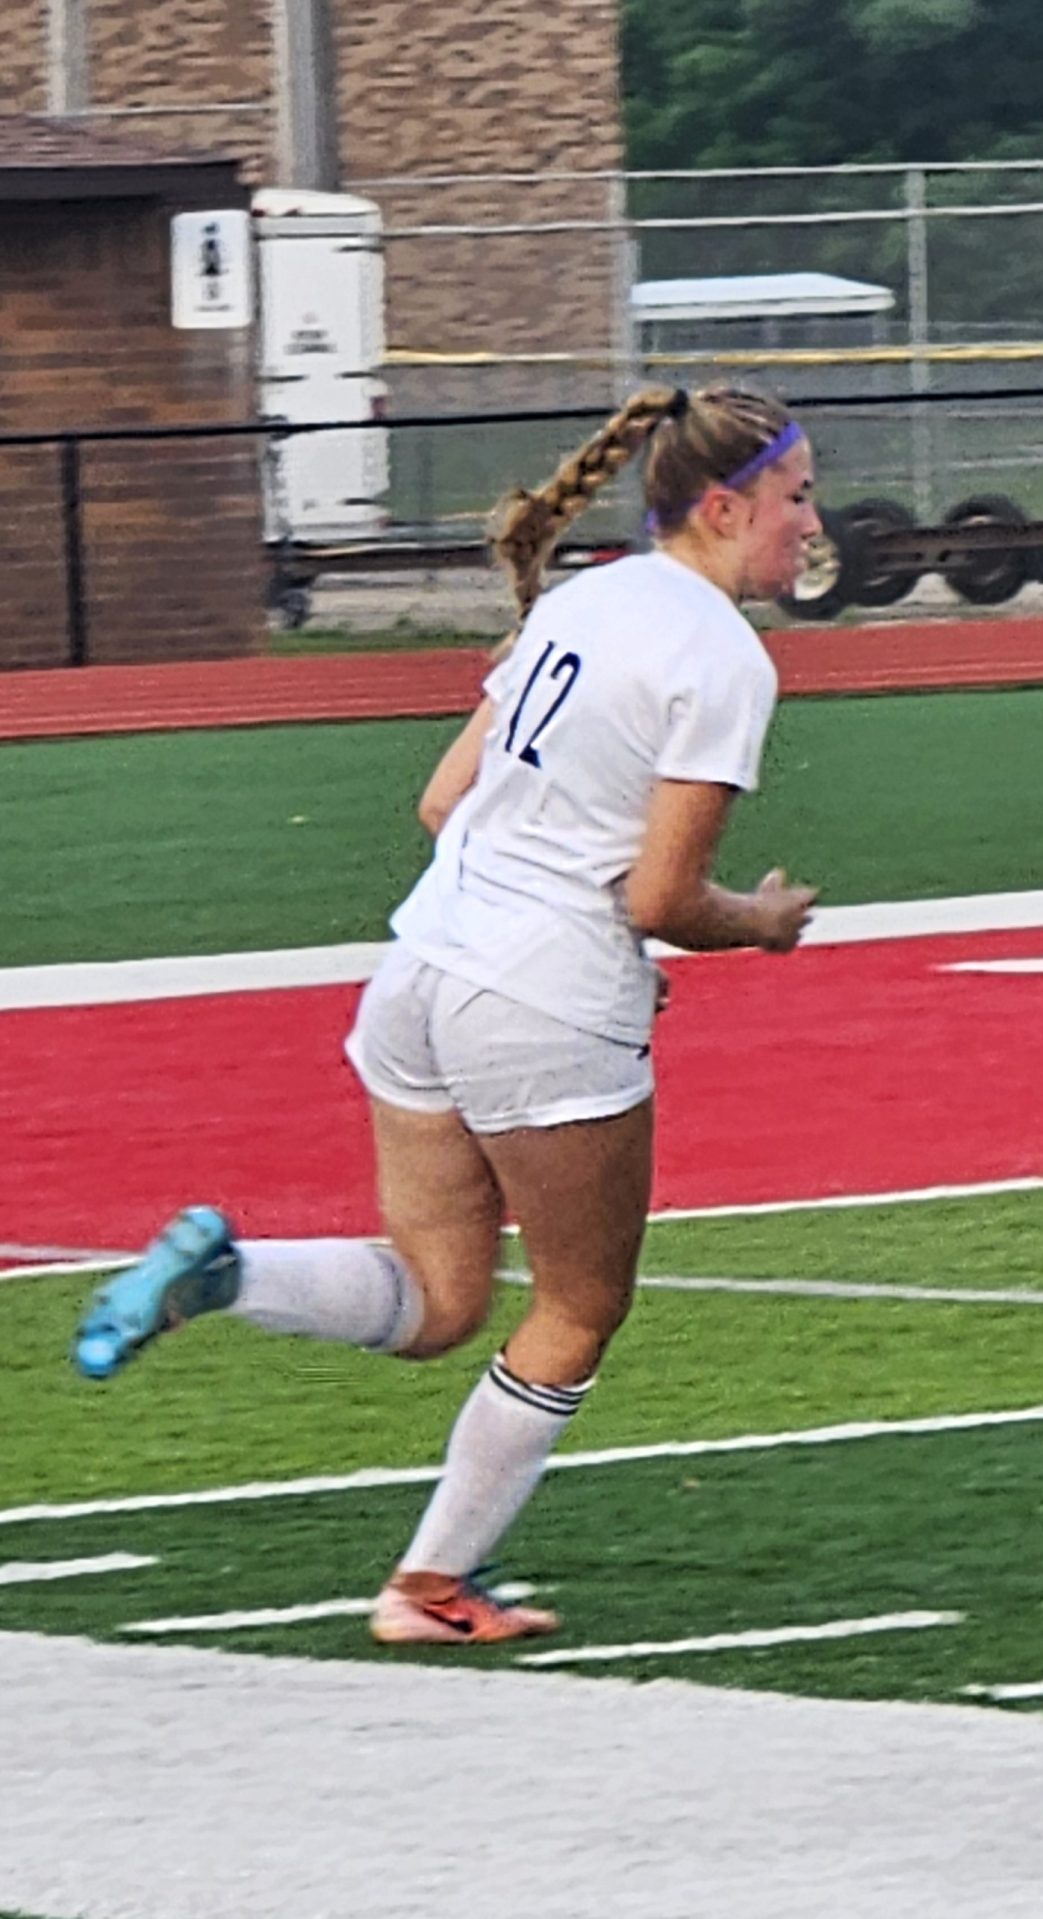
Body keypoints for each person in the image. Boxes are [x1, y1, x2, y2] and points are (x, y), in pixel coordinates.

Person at [71, 385, 823, 1646]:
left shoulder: (584, 598)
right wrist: (760, 918)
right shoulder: (718, 654)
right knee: (580, 1306)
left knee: (440, 1297)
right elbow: (662, 892)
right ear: (725, 505)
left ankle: (226, 1275)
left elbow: (441, 802)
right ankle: (429, 1587)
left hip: (420, 971)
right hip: (544, 998)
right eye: (797, 499)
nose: (810, 523)